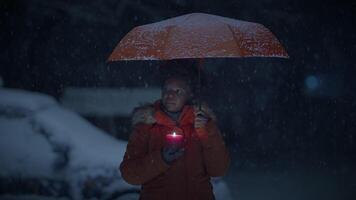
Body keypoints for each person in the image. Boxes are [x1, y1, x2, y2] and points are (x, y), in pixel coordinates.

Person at [119, 63, 230, 200]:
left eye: (178, 91)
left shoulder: (202, 124)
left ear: (190, 94)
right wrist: (162, 158)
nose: (170, 96)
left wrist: (207, 132)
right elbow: (129, 174)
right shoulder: (146, 126)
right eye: (167, 90)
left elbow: (218, 170)